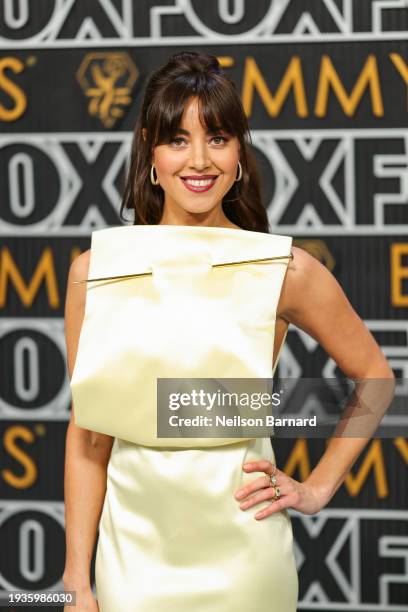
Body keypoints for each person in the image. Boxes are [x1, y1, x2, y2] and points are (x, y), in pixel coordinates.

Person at [62, 51, 394, 611]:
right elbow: (89, 436)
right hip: (132, 559)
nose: (199, 160)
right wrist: (76, 580)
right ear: (150, 150)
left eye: (217, 138)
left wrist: (314, 491)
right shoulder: (95, 271)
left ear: (240, 152)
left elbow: (375, 379)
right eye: (178, 140)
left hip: (244, 557)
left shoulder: (283, 270)